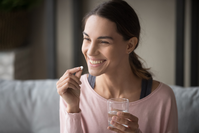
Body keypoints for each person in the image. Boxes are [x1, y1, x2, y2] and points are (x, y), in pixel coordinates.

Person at [56, 0, 178, 133]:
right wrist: (73, 108)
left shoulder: (162, 99)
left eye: (103, 42)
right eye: (87, 39)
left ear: (130, 45)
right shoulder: (73, 92)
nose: (90, 51)